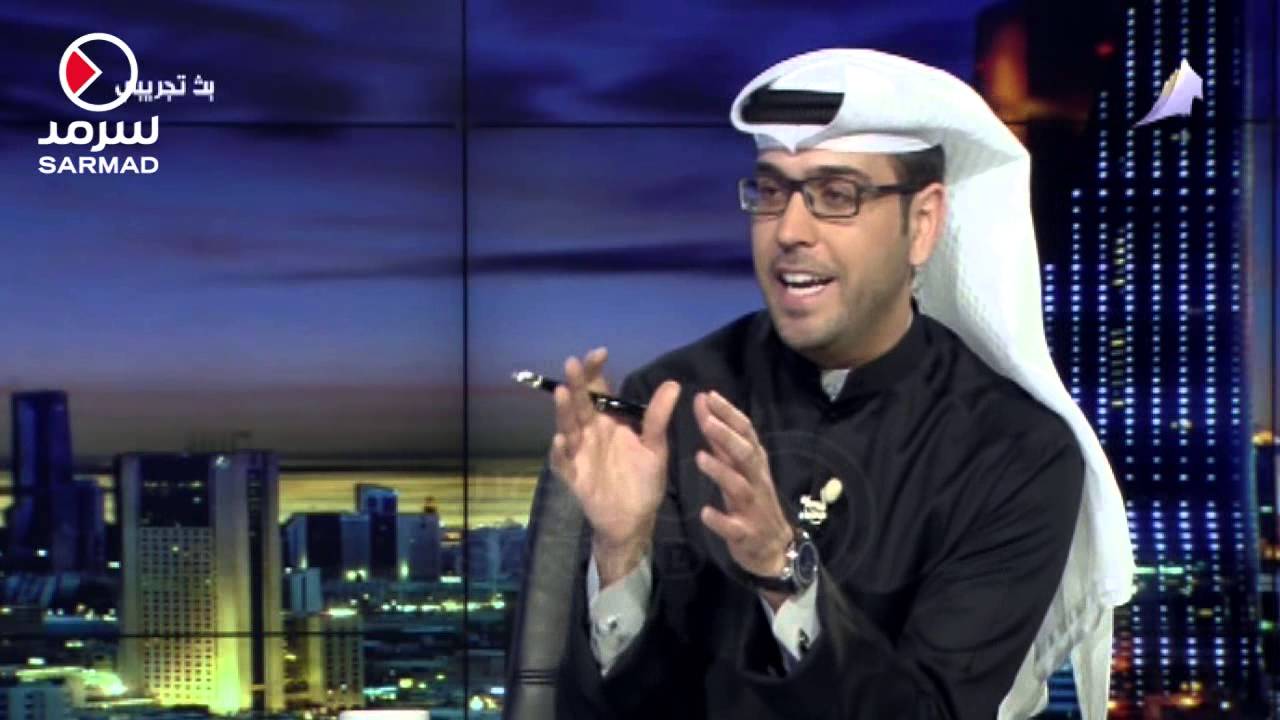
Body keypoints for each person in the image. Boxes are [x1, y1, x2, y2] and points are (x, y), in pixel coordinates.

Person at [543, 48, 1134, 719]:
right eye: (771, 193)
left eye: (836, 196)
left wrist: (784, 573)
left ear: (922, 224)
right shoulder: (670, 403)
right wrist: (622, 553)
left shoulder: (1015, 451)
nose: (789, 232)